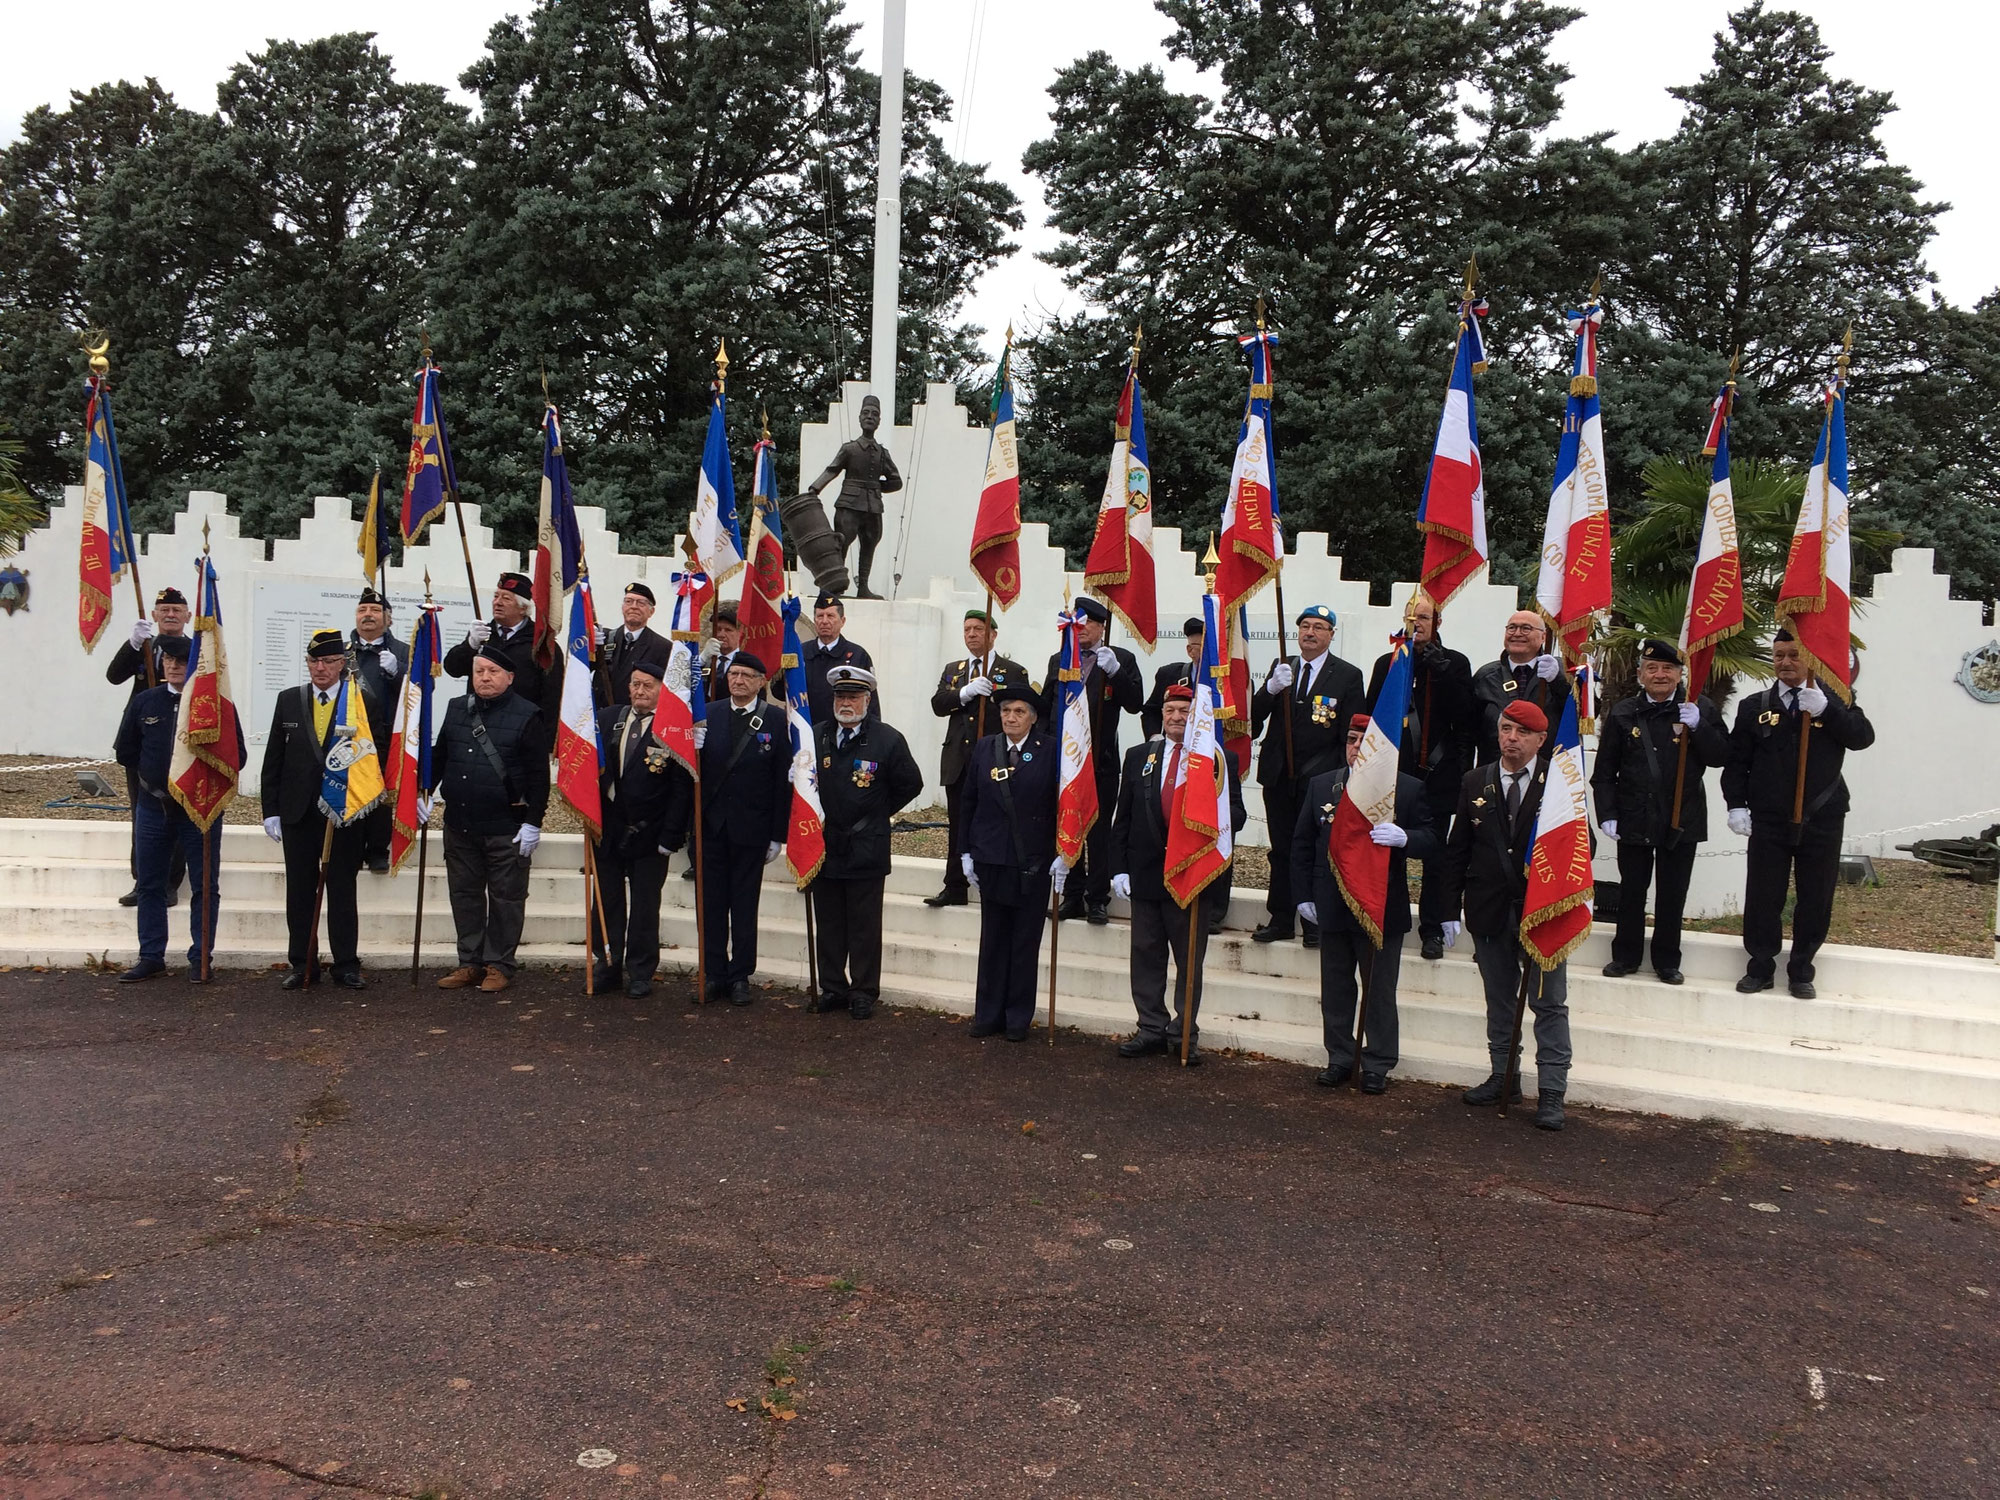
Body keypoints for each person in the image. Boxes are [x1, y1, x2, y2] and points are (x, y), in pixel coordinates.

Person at [1434, 699, 1572, 1131]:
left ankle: (1551, 1091)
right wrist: (1447, 907)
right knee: (1499, 999)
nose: (1511, 738)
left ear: (1540, 740)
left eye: (1521, 733)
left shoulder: (1561, 783)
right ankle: (1504, 1076)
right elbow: (1459, 848)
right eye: (1506, 729)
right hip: (1489, 908)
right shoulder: (1477, 779)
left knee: (1548, 1003)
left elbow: (1579, 850)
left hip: (1544, 911)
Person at [1721, 629, 1876, 999]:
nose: (1786, 663)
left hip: (1822, 815)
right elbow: (1736, 762)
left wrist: (1827, 710)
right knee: (1763, 894)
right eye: (1779, 656)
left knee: (1816, 895)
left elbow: (1862, 737)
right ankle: (1760, 966)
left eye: (1794, 655)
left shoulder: (1834, 698)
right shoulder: (1755, 705)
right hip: (1770, 818)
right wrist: (1736, 804)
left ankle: (1802, 968)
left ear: (1809, 658)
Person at [1290, 715, 1438, 1091]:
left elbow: (1434, 839)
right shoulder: (1324, 785)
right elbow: (1302, 845)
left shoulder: (1406, 789)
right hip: (1332, 902)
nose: (1357, 748)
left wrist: (1406, 838)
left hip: (1381, 905)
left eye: (1365, 741)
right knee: (1336, 988)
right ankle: (1340, 1056)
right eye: (1352, 740)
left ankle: (1377, 1062)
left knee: (1379, 991)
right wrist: (1304, 895)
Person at [1107, 683, 1247, 1065]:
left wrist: (1209, 810)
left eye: (1184, 711)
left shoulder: (1218, 760)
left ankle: (1185, 1032)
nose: (1175, 717)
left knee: (1188, 961)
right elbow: (1124, 817)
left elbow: (1237, 816)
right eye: (1170, 710)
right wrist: (1118, 868)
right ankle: (1151, 1027)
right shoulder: (1139, 756)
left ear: (1197, 717)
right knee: (1145, 955)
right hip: (1146, 876)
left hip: (1192, 876)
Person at [1590, 639, 1729, 985]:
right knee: (1632, 891)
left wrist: (1699, 727)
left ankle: (1667, 960)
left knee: (1673, 892)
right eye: (1652, 668)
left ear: (1680, 673)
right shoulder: (1623, 712)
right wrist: (1607, 812)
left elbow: (1721, 756)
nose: (1660, 674)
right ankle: (1625, 957)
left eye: (1668, 668)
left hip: (1682, 816)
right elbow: (1605, 771)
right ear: (1640, 674)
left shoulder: (1699, 708)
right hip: (1635, 814)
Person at [111, 634, 237, 982]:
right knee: (150, 884)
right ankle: (151, 955)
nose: (173, 666)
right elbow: (126, 752)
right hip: (154, 806)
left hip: (199, 808)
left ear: (196, 664)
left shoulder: (215, 707)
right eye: (168, 660)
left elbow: (235, 755)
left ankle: (201, 958)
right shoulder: (146, 702)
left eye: (181, 661)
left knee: (204, 885)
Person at [429, 643, 551, 993]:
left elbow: (538, 776)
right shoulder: (456, 709)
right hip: (460, 823)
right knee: (464, 895)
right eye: (479, 671)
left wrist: (533, 822)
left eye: (493, 672)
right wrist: (424, 792)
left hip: (506, 826)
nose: (484, 677)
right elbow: (440, 756)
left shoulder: (528, 715)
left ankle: (498, 964)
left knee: (506, 898)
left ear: (510, 678)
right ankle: (469, 962)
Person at [807, 666, 924, 1018]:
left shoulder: (888, 739)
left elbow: (911, 784)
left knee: (863, 925)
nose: (846, 703)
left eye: (854, 697)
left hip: (866, 846)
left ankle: (862, 992)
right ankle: (832, 988)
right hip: (825, 846)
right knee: (829, 924)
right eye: (841, 696)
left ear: (868, 701)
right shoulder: (816, 736)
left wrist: (876, 812)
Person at [261, 629, 373, 990]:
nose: (320, 668)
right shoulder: (289, 699)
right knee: (299, 890)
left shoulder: (360, 701)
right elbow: (273, 759)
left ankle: (346, 964)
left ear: (342, 664)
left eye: (327, 661)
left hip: (343, 811)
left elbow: (373, 754)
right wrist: (270, 809)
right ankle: (303, 962)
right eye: (313, 661)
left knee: (342, 889)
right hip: (298, 812)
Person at [1364, 595, 1475, 960]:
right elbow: (1372, 720)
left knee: (1436, 857)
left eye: (1424, 617)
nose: (1417, 623)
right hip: (1392, 777)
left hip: (1437, 778)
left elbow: (1465, 720)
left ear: (1437, 622)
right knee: (1384, 851)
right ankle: (1380, 915)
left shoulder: (1454, 663)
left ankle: (1432, 929)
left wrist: (1440, 671)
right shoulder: (1388, 663)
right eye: (1411, 617)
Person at [1249, 603, 1365, 947]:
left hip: (1320, 780)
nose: (1310, 633)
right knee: (1281, 850)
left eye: (1318, 627)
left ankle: (1314, 921)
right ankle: (1281, 917)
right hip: (1279, 776)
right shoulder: (1283, 667)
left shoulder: (1347, 675)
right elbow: (1253, 720)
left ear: (1331, 634)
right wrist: (1269, 689)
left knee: (1315, 850)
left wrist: (1332, 774)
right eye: (1305, 627)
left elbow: (1349, 731)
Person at [960, 683, 1063, 1041]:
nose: (1010, 717)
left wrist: (1063, 853)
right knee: (993, 941)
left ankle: (1017, 1017)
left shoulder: (1051, 750)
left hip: (1033, 861)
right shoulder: (986, 748)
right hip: (991, 858)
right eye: (1005, 711)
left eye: (1019, 712)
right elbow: (968, 802)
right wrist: (965, 852)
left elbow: (1061, 806)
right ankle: (988, 1014)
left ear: (1032, 718)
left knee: (1024, 943)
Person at [590, 658, 692, 999]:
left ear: (663, 690)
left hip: (650, 833)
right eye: (635, 683)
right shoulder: (609, 719)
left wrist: (671, 837)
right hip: (608, 829)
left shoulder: (672, 729)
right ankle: (608, 963)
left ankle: (640, 971)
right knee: (606, 901)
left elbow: (681, 790)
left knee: (646, 905)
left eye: (648, 685)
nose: (640, 691)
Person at [1038, 596, 1142, 923]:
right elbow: (1046, 708)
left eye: (1088, 625)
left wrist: (1115, 672)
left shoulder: (1119, 658)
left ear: (1102, 627)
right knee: (1067, 824)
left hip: (1100, 761)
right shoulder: (1060, 659)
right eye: (1077, 624)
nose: (1081, 630)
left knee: (1097, 831)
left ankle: (1097, 897)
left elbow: (1135, 703)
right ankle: (1072, 895)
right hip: (1063, 760)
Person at [697, 650, 791, 1003]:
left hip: (752, 829)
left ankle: (740, 976)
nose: (737, 680)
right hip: (712, 826)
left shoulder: (776, 722)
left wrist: (777, 835)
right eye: (733, 674)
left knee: (744, 904)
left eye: (746, 676)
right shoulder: (708, 715)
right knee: (711, 904)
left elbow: (782, 782)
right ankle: (713, 972)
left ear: (760, 682)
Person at [925, 608, 1031, 908]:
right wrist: (965, 692)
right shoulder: (954, 670)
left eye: (978, 629)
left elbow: (1021, 712)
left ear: (993, 634)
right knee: (959, 824)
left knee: (997, 822)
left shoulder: (1012, 671)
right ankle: (954, 885)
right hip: (959, 759)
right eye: (967, 629)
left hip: (996, 759)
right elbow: (938, 704)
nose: (971, 634)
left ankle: (995, 885)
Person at [107, 585, 193, 906]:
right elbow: (114, 676)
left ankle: (170, 882)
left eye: (176, 610)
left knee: (178, 811)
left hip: (181, 741)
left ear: (188, 616)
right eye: (164, 610)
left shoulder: (196, 649)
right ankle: (142, 880)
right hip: (145, 742)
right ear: (154, 615)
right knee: (142, 812)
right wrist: (132, 646)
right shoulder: (144, 646)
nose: (170, 615)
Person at [801, 391, 903, 598]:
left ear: (879, 421)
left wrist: (875, 487)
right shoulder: (850, 449)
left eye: (874, 414)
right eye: (865, 413)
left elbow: (896, 481)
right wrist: (814, 489)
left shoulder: (883, 454)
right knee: (841, 542)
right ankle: (833, 586)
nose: (869, 417)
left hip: (873, 506)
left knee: (870, 544)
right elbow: (832, 470)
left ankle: (863, 587)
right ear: (859, 418)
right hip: (849, 503)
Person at [443, 571, 558, 720]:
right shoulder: (482, 636)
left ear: (523, 607)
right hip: (479, 723)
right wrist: (470, 645)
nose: (498, 602)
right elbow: (453, 668)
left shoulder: (541, 644)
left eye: (506, 598)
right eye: (496, 596)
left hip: (522, 727)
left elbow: (552, 699)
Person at [347, 588, 407, 874]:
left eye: (374, 610)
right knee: (350, 790)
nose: (367, 615)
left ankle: (378, 850)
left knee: (381, 795)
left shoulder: (403, 652)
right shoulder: (341, 651)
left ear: (389, 619)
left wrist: (398, 673)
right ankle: (351, 847)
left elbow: (421, 693)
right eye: (362, 610)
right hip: (348, 734)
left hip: (384, 734)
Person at [1471, 610, 1571, 766]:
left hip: (1547, 772)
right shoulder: (1485, 676)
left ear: (1543, 636)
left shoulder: (1562, 671)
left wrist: (1557, 681)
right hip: (1495, 771)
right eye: (1512, 628)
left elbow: (1583, 713)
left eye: (1526, 628)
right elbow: (1468, 730)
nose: (1517, 633)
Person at [597, 581, 673, 708]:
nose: (634, 606)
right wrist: (586, 644)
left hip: (635, 716)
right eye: (628, 601)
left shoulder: (662, 647)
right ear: (622, 607)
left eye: (641, 603)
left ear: (651, 611)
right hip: (602, 715)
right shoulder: (604, 639)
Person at [800, 593, 874, 724]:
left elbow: (870, 702)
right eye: (820, 616)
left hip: (842, 731)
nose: (824, 621)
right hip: (806, 730)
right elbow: (781, 692)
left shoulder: (857, 655)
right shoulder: (801, 652)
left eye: (830, 616)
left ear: (842, 621)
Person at [1140, 617, 1205, 739]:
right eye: (1204, 647)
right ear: (1190, 650)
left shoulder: (1230, 681)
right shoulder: (1170, 674)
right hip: (1176, 748)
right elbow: (1151, 711)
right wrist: (1154, 736)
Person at [698, 601, 744, 704]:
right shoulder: (707, 660)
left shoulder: (744, 661)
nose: (721, 635)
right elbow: (686, 680)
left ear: (740, 633)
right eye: (718, 629)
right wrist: (702, 658)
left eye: (728, 630)